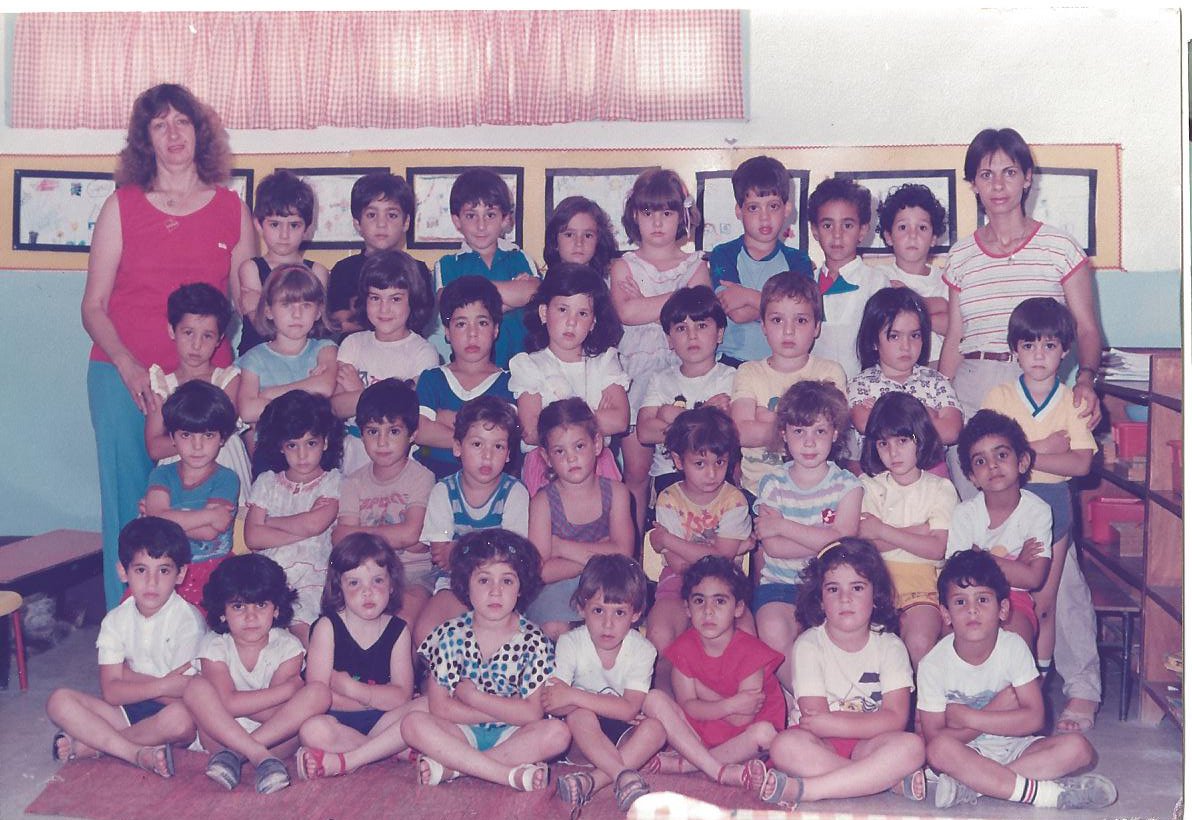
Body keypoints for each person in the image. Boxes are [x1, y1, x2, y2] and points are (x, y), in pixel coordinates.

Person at [83, 82, 254, 608]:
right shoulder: (122, 205)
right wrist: (129, 366)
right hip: (122, 375)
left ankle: (198, 622)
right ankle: (126, 624)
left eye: (182, 121)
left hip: (204, 382)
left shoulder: (231, 209)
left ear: (200, 133)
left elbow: (249, 304)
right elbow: (93, 306)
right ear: (146, 139)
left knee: (205, 500)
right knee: (130, 504)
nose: (173, 133)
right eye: (160, 124)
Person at [939, 128, 1102, 497]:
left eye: (1009, 172)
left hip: (1035, 385)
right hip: (972, 387)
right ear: (973, 184)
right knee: (977, 512)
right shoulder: (961, 256)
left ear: (1028, 178)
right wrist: (940, 398)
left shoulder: (1060, 248)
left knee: (1037, 508)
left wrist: (1086, 381)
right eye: (986, 174)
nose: (998, 185)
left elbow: (1087, 329)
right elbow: (954, 337)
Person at [918, 550, 1118, 811]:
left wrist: (968, 716)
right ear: (945, 614)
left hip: (1016, 748)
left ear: (1003, 609)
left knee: (1079, 748)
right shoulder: (933, 664)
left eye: (982, 599)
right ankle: (1044, 794)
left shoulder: (1013, 647)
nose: (972, 610)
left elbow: (1035, 720)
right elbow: (934, 737)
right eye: (960, 602)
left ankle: (977, 787)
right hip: (967, 753)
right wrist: (994, 710)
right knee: (939, 750)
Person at [981, 297, 1100, 732]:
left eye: (1049, 346)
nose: (1038, 355)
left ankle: (1073, 689)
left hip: (1052, 505)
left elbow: (1081, 463)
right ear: (1014, 350)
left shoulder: (1071, 401)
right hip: (1004, 505)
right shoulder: (999, 396)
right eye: (1029, 345)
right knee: (1006, 597)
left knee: (1055, 599)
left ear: (1064, 351)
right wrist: (1045, 448)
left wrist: (1021, 455)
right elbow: (988, 455)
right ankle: (1005, 687)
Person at [402, 529, 570, 791]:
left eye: (507, 581)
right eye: (484, 580)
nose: (495, 592)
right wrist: (505, 711)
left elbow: (532, 713)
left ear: (521, 588)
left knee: (558, 734)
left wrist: (474, 697)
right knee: (412, 723)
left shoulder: (534, 640)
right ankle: (506, 774)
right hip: (461, 730)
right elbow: (439, 707)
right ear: (466, 585)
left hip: (513, 736)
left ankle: (456, 769)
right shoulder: (450, 634)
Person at [761, 539, 925, 807]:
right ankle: (880, 781)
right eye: (833, 589)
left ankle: (809, 789)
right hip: (821, 744)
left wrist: (834, 723)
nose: (845, 598)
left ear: (876, 597)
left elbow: (896, 718)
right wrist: (840, 725)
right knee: (784, 746)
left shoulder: (891, 646)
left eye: (857, 587)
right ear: (820, 600)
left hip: (870, 745)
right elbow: (815, 721)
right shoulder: (808, 645)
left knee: (913, 747)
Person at [45, 517, 204, 779]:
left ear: (181, 574)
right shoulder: (115, 620)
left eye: (164, 571)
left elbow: (185, 697)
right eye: (141, 570)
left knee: (180, 718)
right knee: (58, 700)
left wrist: (128, 677)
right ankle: (134, 752)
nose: (151, 582)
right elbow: (111, 692)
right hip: (128, 709)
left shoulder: (189, 623)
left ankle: (94, 745)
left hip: (170, 717)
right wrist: (163, 685)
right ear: (123, 571)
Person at [609, 168, 712, 537]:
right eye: (647, 212)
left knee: (689, 467)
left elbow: (698, 310)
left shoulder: (696, 264)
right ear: (634, 216)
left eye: (667, 213)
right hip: (637, 377)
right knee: (636, 474)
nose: (657, 222)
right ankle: (633, 552)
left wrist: (649, 303)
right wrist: (679, 297)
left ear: (682, 216)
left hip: (685, 373)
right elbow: (627, 312)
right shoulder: (623, 265)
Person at [183, 553, 331, 795]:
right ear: (222, 612)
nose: (250, 616)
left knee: (319, 693)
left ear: (276, 609)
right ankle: (259, 757)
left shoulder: (289, 647)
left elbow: (276, 715)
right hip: (221, 736)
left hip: (277, 741)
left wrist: (233, 702)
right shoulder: (214, 645)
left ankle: (236, 757)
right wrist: (287, 690)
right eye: (238, 606)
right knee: (194, 687)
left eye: (261, 605)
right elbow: (228, 704)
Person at [752, 380, 862, 694]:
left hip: (828, 585)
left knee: (836, 637)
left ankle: (831, 699)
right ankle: (805, 699)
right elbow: (773, 547)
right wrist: (822, 538)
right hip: (779, 584)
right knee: (773, 629)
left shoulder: (848, 485)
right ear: (784, 434)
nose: (809, 442)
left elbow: (841, 543)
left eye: (820, 431)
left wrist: (783, 525)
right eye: (799, 431)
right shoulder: (773, 483)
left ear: (835, 433)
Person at [640, 556, 782, 792]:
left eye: (720, 601)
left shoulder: (751, 651)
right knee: (653, 699)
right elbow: (688, 706)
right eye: (699, 601)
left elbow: (741, 719)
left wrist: (699, 689)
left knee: (765, 734)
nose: (708, 611)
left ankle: (685, 765)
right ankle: (718, 771)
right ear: (687, 608)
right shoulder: (683, 647)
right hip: (701, 731)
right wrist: (730, 704)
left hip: (742, 739)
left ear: (738, 608)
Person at [295, 533, 426, 778]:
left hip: (384, 720)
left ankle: (352, 758)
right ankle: (389, 749)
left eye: (377, 580)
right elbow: (321, 696)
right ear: (339, 588)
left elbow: (402, 696)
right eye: (355, 583)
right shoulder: (327, 627)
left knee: (428, 705)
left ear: (392, 584)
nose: (368, 592)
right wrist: (377, 698)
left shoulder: (398, 630)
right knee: (312, 730)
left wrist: (353, 689)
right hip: (338, 721)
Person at [545, 555, 665, 814]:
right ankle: (621, 774)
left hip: (620, 735)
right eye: (598, 610)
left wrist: (574, 695)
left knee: (656, 729)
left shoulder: (644, 650)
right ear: (581, 608)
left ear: (636, 614)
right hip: (580, 740)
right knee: (580, 715)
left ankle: (591, 782)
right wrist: (611, 706)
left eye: (619, 612)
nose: (608, 624)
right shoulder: (570, 643)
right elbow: (554, 703)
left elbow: (629, 710)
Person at [411, 396, 530, 647]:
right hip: (455, 584)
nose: (487, 455)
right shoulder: (444, 491)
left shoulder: (515, 493)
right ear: (457, 447)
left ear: (509, 454)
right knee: (426, 635)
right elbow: (441, 555)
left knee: (486, 639)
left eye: (498, 447)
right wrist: (488, 549)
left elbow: (514, 556)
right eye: (477, 444)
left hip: (501, 587)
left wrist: (461, 549)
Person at [645, 406, 753, 674]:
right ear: (679, 460)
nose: (712, 473)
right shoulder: (668, 499)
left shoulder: (734, 500)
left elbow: (721, 561)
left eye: (720, 462)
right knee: (659, 635)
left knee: (747, 636)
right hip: (677, 583)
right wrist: (727, 550)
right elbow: (679, 565)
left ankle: (733, 692)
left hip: (727, 586)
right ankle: (665, 695)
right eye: (700, 464)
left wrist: (668, 539)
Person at [509, 263, 629, 495]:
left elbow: (620, 420)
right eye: (563, 309)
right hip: (546, 466)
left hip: (598, 463)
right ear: (544, 313)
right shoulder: (529, 365)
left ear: (593, 322)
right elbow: (531, 431)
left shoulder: (605, 362)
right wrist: (592, 417)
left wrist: (553, 420)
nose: (571, 321)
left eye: (582, 313)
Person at [857, 393, 957, 667]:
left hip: (923, 587)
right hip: (875, 584)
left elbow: (937, 548)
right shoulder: (868, 485)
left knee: (919, 642)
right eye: (883, 443)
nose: (893, 452)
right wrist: (920, 531)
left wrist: (882, 530)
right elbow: (865, 546)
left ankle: (919, 696)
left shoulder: (940, 488)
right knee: (870, 648)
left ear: (920, 439)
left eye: (902, 441)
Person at [525, 398, 635, 639]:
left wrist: (561, 548)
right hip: (557, 590)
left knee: (610, 624)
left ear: (597, 444)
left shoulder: (617, 493)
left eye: (579, 446)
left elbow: (624, 555)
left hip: (608, 586)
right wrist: (601, 554)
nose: (571, 458)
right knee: (554, 629)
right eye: (559, 451)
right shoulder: (543, 503)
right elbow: (540, 572)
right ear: (546, 456)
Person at [729, 272, 846, 496]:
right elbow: (741, 433)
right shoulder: (749, 372)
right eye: (777, 320)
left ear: (817, 327)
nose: (788, 330)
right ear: (763, 325)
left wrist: (767, 419)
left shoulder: (829, 372)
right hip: (756, 491)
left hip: (816, 492)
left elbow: (833, 434)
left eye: (800, 320)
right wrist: (802, 427)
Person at [244, 390, 344, 644]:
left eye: (311, 443)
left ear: (325, 442)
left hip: (311, 578)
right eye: (292, 445)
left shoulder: (332, 481)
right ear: (280, 446)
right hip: (268, 577)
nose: (302, 455)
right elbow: (253, 538)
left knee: (304, 633)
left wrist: (270, 522)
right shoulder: (267, 482)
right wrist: (303, 523)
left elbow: (315, 524)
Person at [332, 379, 436, 623]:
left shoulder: (422, 477)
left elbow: (411, 533)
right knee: (342, 622)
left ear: (413, 434)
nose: (382, 442)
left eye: (394, 431)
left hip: (412, 575)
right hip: (364, 576)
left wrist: (359, 534)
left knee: (400, 623)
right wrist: (397, 535)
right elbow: (341, 540)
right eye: (372, 431)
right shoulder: (353, 482)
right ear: (361, 434)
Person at [948, 410, 1051, 649]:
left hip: (1014, 599)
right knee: (951, 645)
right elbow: (959, 576)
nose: (992, 465)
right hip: (968, 598)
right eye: (980, 461)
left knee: (1016, 644)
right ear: (972, 477)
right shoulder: (964, 514)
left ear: (1022, 462)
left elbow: (1033, 578)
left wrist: (978, 556)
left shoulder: (1038, 511)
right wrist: (1016, 565)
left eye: (1001, 455)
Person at [332, 249, 439, 473]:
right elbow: (336, 407)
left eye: (396, 299)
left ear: (412, 301)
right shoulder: (353, 344)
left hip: (400, 460)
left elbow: (406, 415)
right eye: (375, 298)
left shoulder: (423, 352)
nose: (384, 308)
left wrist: (360, 393)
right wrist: (382, 397)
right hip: (353, 455)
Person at [144, 282, 252, 503]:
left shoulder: (228, 380)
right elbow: (154, 447)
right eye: (188, 333)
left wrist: (183, 436)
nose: (196, 345)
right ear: (172, 330)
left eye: (207, 336)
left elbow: (223, 429)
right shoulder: (162, 385)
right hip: (178, 470)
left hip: (224, 460)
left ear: (220, 339)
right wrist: (190, 443)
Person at [141, 381, 241, 610]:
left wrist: (162, 520)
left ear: (222, 438)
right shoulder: (161, 474)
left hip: (212, 570)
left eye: (208, 435)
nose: (197, 446)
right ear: (172, 438)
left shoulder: (226, 478)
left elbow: (209, 533)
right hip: (166, 570)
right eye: (186, 435)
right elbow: (158, 516)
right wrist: (209, 515)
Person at [708, 154, 814, 368]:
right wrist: (783, 311)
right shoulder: (724, 254)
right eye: (754, 208)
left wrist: (748, 296)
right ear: (739, 211)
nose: (764, 217)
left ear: (787, 209)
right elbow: (737, 313)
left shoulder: (798, 260)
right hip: (731, 363)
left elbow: (803, 314)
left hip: (784, 364)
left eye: (773, 206)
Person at [434, 168, 539, 368]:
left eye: (490, 215)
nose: (481, 226)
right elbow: (451, 306)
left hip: (523, 368)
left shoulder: (519, 257)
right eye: (471, 216)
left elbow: (533, 293)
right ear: (457, 221)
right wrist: (512, 295)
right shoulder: (447, 264)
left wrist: (471, 297)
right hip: (469, 370)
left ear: (505, 218)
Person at [636, 286, 737, 493]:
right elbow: (645, 431)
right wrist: (703, 416)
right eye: (681, 328)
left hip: (716, 474)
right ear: (669, 339)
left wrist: (671, 417)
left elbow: (731, 432)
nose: (692, 336)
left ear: (719, 333)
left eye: (701, 326)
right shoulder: (660, 379)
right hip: (670, 475)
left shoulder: (731, 378)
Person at [846, 287, 962, 468]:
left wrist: (882, 413)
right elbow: (864, 423)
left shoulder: (936, 381)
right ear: (874, 341)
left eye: (914, 335)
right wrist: (925, 416)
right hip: (881, 475)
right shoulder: (860, 384)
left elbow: (952, 431)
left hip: (931, 473)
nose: (906, 346)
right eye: (894, 336)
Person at [414, 275, 514, 480]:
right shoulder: (432, 378)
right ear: (447, 332)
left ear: (496, 329)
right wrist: (481, 436)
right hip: (432, 478)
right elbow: (421, 431)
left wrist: (446, 419)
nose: (472, 334)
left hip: (491, 483)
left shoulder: (509, 383)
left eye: (482, 323)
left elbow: (503, 438)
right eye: (461, 324)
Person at [327, 172, 433, 338]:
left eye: (392, 215)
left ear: (406, 222)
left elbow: (418, 320)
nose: (381, 224)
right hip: (355, 351)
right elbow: (340, 322)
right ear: (357, 223)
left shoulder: (418, 270)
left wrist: (360, 315)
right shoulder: (344, 270)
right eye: (371, 215)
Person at [236, 169, 330, 356]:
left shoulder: (317, 271)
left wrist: (261, 304)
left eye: (294, 225)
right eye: (275, 224)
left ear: (307, 228)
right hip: (256, 360)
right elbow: (261, 327)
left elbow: (317, 327)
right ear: (258, 225)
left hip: (303, 360)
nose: (284, 235)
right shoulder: (251, 268)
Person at [805, 176, 891, 379]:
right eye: (828, 225)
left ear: (862, 230)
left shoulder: (877, 283)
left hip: (864, 387)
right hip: (814, 388)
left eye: (848, 225)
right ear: (815, 230)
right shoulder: (806, 283)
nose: (837, 235)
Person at [236, 264, 338, 427]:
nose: (297, 314)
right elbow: (248, 411)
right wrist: (309, 393)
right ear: (268, 311)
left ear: (318, 312)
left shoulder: (325, 349)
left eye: (306, 305)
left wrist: (269, 394)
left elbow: (324, 387)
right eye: (286, 304)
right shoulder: (254, 358)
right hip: (271, 441)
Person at [871, 183, 950, 359]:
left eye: (922, 228)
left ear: (933, 238)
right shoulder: (879, 277)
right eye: (903, 227)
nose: (912, 235)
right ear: (889, 236)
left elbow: (952, 326)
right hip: (894, 366)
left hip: (939, 366)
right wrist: (932, 308)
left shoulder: (946, 279)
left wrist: (913, 302)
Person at [543, 195, 619, 278]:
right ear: (554, 240)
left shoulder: (612, 281)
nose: (579, 243)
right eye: (569, 235)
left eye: (587, 235)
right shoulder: (546, 284)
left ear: (598, 241)